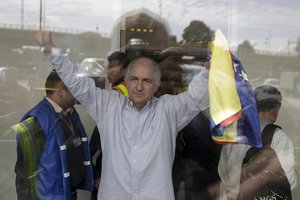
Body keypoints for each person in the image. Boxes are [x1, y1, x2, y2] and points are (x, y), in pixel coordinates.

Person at [34, 30, 209, 200]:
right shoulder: (108, 105)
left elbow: (195, 97)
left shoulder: (169, 110)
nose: (139, 87)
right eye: (134, 79)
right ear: (126, 81)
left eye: (146, 81)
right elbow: (77, 83)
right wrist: (50, 48)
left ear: (156, 85)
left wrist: (209, 71)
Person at [14, 70, 93, 200]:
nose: (78, 93)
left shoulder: (71, 113)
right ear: (60, 91)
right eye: (74, 88)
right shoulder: (35, 119)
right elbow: (24, 173)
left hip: (69, 194)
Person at [156, 47, 221, 200]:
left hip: (189, 165)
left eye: (179, 60)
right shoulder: (151, 105)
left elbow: (193, 98)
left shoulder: (184, 101)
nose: (177, 65)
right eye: (173, 59)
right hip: (165, 167)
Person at [217, 85, 297, 200]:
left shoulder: (234, 132)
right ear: (275, 109)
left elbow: (223, 171)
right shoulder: (278, 137)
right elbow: (288, 181)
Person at [89, 51, 130, 200]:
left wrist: (94, 176)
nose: (108, 72)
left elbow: (97, 137)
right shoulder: (126, 93)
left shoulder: (118, 95)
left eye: (112, 67)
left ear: (124, 71)